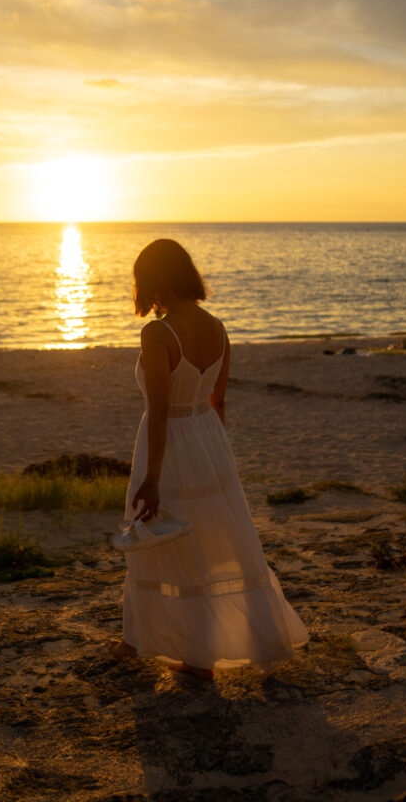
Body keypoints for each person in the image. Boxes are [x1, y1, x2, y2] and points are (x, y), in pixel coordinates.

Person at [108, 239, 308, 679]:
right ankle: (154, 640)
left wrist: (153, 477)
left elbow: (159, 412)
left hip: (169, 441)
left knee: (153, 536)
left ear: (156, 281)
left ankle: (185, 651)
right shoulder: (218, 329)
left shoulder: (157, 333)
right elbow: (219, 403)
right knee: (210, 541)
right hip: (207, 439)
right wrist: (216, 456)